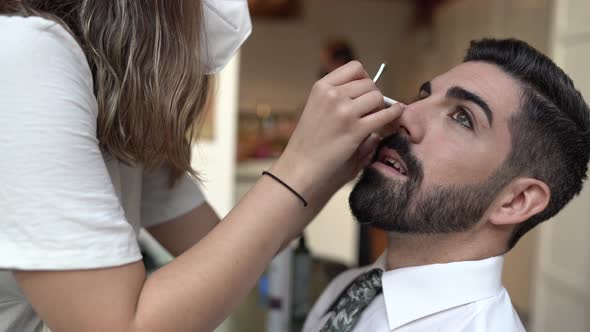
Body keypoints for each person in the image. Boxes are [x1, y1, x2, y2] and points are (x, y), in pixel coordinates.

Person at [0, 1, 403, 331]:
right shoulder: (27, 55)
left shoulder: (114, 104)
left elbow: (223, 244)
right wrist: (300, 161)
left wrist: (329, 167)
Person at [303, 38, 590, 332]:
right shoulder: (347, 289)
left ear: (515, 200)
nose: (404, 113)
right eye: (422, 96)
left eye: (462, 117)